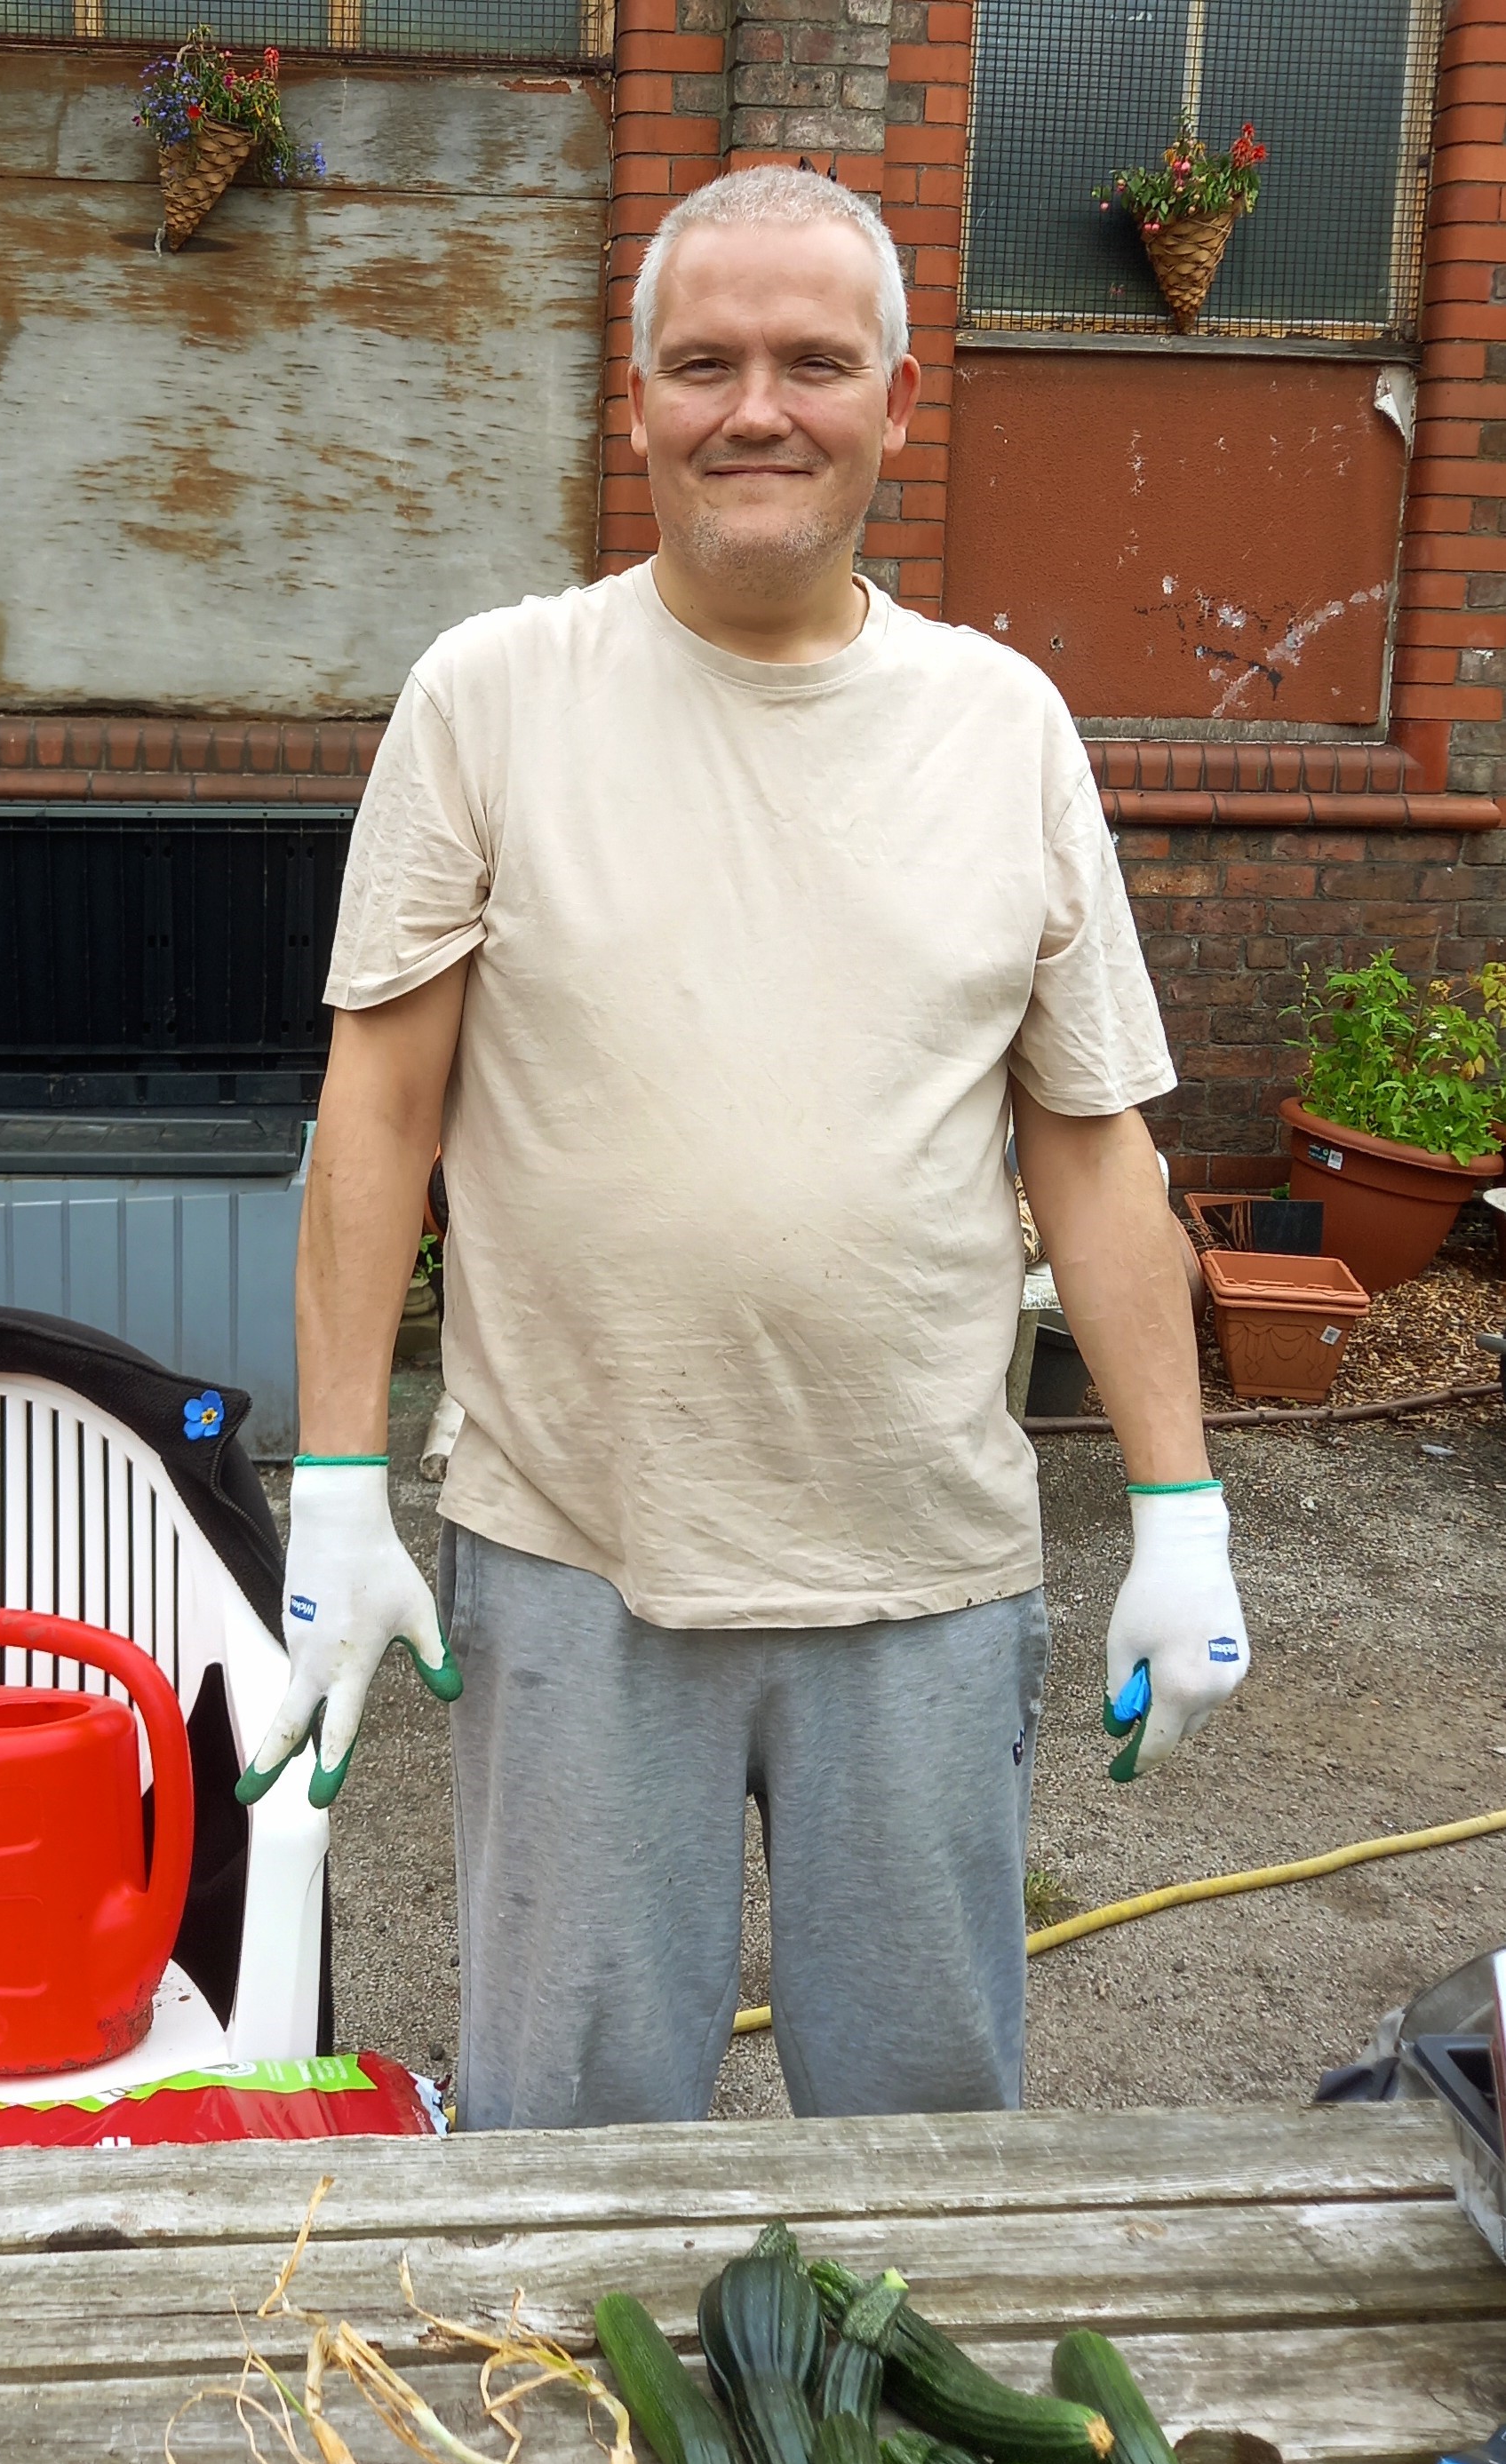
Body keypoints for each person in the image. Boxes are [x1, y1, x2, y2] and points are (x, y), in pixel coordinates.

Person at [236, 164, 1249, 2128]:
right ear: (637, 403)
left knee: (925, 2136)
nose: (754, 408)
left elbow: (1096, 1151)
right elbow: (379, 1107)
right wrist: (340, 1485)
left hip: (925, 1575)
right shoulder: (492, 698)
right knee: (572, 2142)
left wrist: (1180, 1507)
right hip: (581, 1561)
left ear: (891, 400)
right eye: (704, 362)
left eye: (811, 361)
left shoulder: (1005, 726)